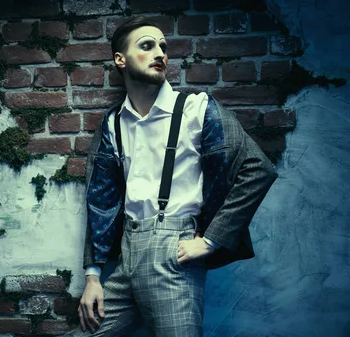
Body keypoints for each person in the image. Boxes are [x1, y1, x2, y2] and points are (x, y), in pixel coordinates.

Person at [67, 16, 278, 336]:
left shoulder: (196, 108)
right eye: (147, 45)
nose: (160, 53)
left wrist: (211, 240)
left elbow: (258, 168)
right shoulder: (113, 123)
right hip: (126, 259)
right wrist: (93, 276)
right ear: (120, 60)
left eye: (163, 47)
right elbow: (101, 199)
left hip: (174, 255)